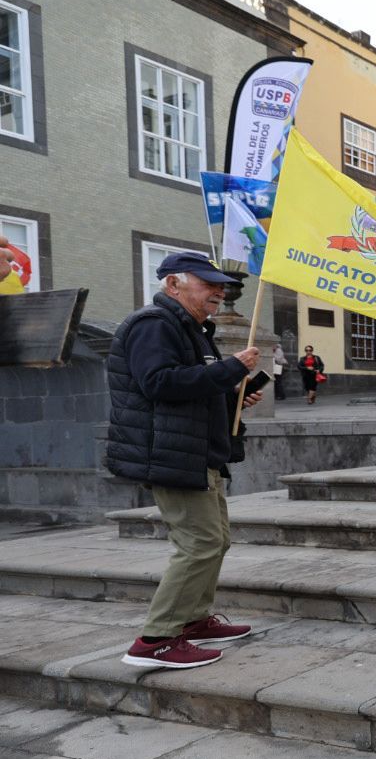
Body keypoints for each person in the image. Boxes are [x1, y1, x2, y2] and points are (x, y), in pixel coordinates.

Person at [106, 252, 262, 670]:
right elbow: (158, 383)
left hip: (198, 452)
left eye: (220, 285)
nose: (218, 291)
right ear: (173, 285)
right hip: (171, 454)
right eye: (207, 283)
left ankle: (193, 621)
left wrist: (233, 395)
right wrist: (229, 370)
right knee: (200, 544)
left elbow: (192, 386)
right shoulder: (153, 325)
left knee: (216, 540)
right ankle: (156, 639)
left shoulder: (192, 328)